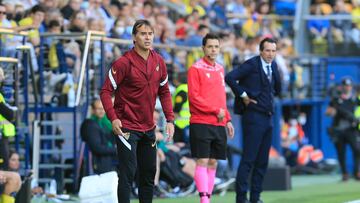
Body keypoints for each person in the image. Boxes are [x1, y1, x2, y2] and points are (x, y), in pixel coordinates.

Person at [100, 19, 174, 203]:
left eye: (150, 33)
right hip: (126, 127)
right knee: (128, 173)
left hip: (149, 127)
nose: (147, 37)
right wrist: (113, 118)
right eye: (143, 33)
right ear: (134, 37)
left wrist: (170, 119)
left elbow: (164, 92)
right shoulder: (123, 63)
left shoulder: (159, 61)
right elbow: (105, 91)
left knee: (149, 174)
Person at [225, 37, 281, 203]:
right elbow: (229, 77)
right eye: (268, 50)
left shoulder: (273, 66)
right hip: (253, 117)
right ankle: (241, 199)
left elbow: (278, 89)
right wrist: (243, 95)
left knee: (262, 161)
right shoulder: (251, 64)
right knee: (248, 159)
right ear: (261, 51)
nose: (270, 54)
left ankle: (255, 197)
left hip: (268, 118)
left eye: (273, 51)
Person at [187, 33, 234, 203]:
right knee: (202, 160)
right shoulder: (195, 68)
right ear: (203, 48)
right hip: (201, 122)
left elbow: (221, 98)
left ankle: (209, 197)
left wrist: (227, 119)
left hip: (219, 122)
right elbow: (194, 97)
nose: (213, 50)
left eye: (216, 46)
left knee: (213, 162)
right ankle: (204, 199)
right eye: (210, 46)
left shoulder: (220, 69)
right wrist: (215, 110)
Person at [326, 78, 360, 181]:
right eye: (345, 85)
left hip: (351, 129)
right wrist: (333, 111)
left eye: (349, 86)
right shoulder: (336, 100)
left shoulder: (355, 99)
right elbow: (328, 112)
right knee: (341, 152)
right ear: (342, 86)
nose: (347, 87)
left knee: (357, 149)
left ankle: (356, 172)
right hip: (339, 129)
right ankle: (345, 173)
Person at [80, 99, 117, 174]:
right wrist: (115, 149)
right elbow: (97, 147)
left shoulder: (105, 124)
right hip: (97, 165)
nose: (102, 111)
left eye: (103, 108)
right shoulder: (91, 125)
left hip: (106, 163)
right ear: (93, 110)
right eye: (99, 109)